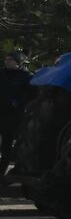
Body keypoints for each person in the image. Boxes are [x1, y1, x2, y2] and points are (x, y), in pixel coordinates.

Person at [0, 50, 34, 179]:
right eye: (6, 59)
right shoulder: (2, 74)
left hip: (15, 115)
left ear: (18, 62)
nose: (7, 62)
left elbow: (31, 94)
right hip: (1, 111)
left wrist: (18, 102)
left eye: (10, 60)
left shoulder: (26, 76)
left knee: (8, 144)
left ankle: (3, 170)